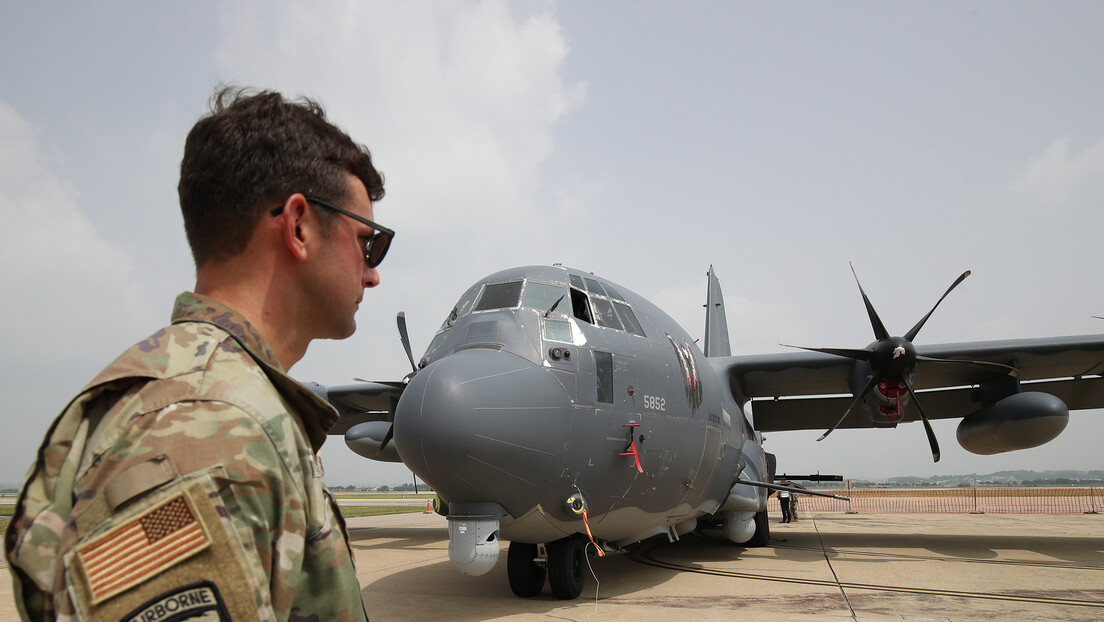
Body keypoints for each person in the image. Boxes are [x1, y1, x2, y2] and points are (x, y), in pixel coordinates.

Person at [4, 87, 391, 621]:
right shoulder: (207, 426)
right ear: (299, 225)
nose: (373, 273)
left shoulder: (206, 402)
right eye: (368, 243)